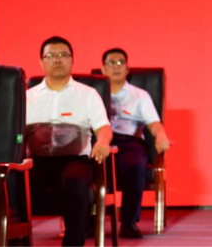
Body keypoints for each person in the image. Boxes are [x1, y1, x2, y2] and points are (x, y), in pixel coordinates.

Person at [27, 36, 111, 247]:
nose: (57, 60)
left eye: (63, 55)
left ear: (72, 60)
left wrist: (102, 142)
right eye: (51, 56)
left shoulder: (88, 94)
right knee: (9, 181)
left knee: (74, 181)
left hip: (75, 160)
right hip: (36, 162)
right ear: (41, 62)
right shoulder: (27, 96)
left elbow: (103, 127)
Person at [100, 48, 169, 239]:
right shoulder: (93, 93)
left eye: (120, 62)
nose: (116, 67)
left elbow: (154, 123)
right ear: (103, 68)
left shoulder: (139, 95)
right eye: (111, 63)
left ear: (127, 68)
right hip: (100, 140)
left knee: (135, 164)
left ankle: (128, 222)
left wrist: (161, 136)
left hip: (129, 141)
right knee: (86, 162)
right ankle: (88, 221)